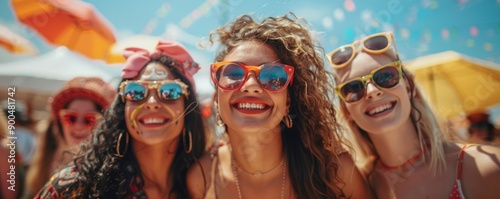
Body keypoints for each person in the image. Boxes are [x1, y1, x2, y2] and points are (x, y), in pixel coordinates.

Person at [187, 13, 373, 199]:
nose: (251, 86)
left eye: (272, 76)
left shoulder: (334, 170)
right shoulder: (202, 178)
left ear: (288, 102)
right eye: (234, 73)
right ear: (217, 99)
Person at [329, 31, 500, 198]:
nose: (372, 91)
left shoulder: (484, 168)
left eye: (386, 76)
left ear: (410, 87)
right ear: (346, 110)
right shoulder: (356, 188)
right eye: (353, 88)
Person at [35, 40, 208, 198]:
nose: (152, 103)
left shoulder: (204, 185)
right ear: (121, 109)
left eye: (170, 91)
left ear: (188, 107)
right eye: (135, 92)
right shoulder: (75, 186)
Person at [24, 76, 116, 197]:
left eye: (90, 119)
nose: (78, 126)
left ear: (105, 125)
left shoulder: (113, 173)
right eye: (70, 117)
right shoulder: (46, 161)